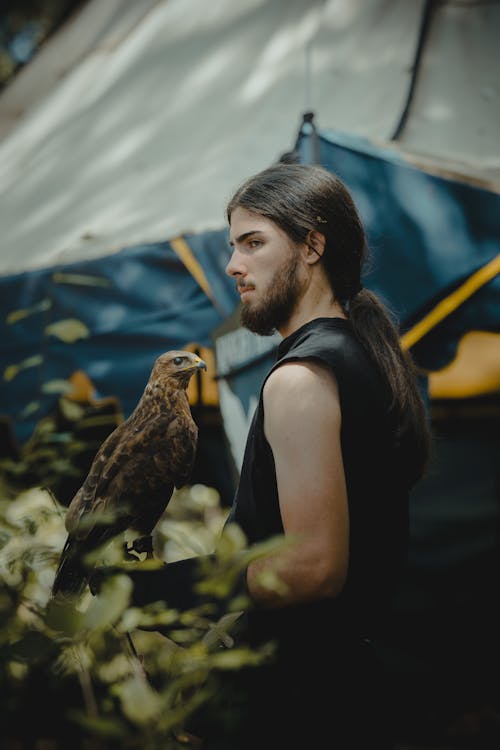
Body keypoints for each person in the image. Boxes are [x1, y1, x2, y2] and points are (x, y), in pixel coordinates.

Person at [128, 163, 431, 749]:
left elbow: (315, 568)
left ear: (312, 245)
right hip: (350, 692)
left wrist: (172, 589)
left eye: (253, 243)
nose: (232, 266)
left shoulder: (300, 379)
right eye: (232, 246)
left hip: (308, 706)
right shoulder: (355, 357)